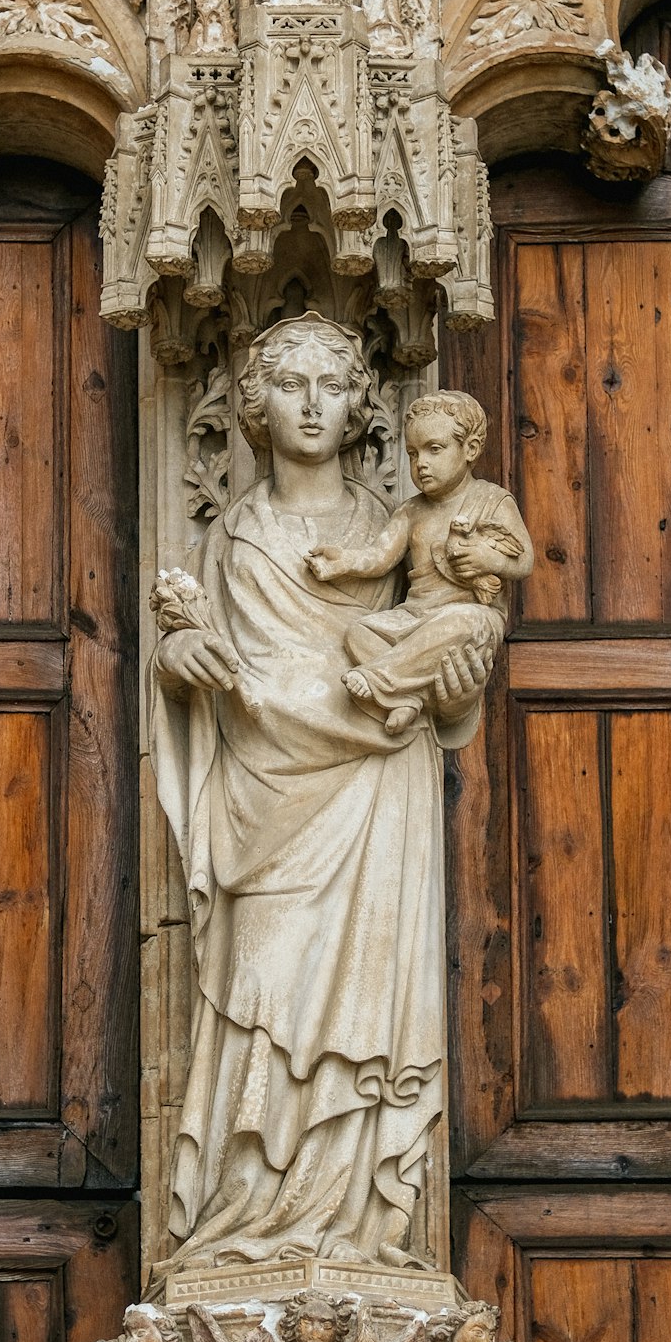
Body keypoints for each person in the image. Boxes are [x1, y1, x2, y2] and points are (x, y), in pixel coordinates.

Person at [151, 314, 497, 1271]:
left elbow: (436, 660)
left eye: (332, 386)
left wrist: (450, 677)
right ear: (258, 408)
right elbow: (204, 667)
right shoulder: (236, 535)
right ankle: (252, 1209)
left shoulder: (388, 530)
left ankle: (352, 1222)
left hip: (380, 793)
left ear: (359, 408)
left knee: (364, 1009)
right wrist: (182, 656)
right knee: (264, 990)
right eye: (292, 386)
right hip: (268, 798)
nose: (312, 405)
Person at [306, 391, 533, 734]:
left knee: (460, 624)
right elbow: (379, 557)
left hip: (469, 616)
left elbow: (525, 561)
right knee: (358, 632)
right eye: (412, 453)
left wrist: (488, 557)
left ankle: (381, 678)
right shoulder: (411, 511)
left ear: (470, 449)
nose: (421, 463)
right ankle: (408, 698)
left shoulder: (492, 500)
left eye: (434, 449)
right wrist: (344, 562)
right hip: (415, 617)